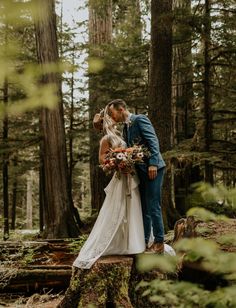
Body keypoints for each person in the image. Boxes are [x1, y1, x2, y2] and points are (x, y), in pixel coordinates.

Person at [73, 107, 145, 269]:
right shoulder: (106, 139)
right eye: (110, 118)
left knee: (132, 207)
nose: (113, 120)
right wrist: (116, 164)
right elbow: (102, 160)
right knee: (118, 207)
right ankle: (117, 243)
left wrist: (129, 159)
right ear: (106, 122)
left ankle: (133, 242)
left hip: (130, 175)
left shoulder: (121, 134)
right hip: (120, 177)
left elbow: (128, 151)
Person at [107, 99, 166, 253]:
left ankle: (159, 242)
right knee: (144, 207)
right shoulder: (126, 128)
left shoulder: (140, 119)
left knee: (153, 205)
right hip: (140, 171)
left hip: (154, 169)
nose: (112, 117)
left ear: (121, 109)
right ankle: (145, 241)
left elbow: (153, 141)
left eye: (112, 113)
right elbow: (131, 150)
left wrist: (153, 163)